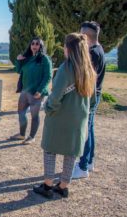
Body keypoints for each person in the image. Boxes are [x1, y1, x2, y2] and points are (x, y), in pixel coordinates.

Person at [33, 33, 96, 199]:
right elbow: (94, 97)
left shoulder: (66, 68)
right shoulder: (89, 69)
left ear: (69, 49)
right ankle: (63, 186)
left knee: (50, 150)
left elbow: (56, 95)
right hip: (79, 118)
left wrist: (48, 108)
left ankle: (47, 185)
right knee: (71, 153)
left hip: (60, 116)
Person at [72, 21, 106, 179]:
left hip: (89, 95)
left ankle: (83, 166)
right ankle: (89, 161)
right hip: (95, 93)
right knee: (90, 128)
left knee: (85, 130)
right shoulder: (99, 49)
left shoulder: (92, 53)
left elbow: (88, 77)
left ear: (86, 36)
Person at [9, 37, 52, 145]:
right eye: (32, 43)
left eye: (37, 44)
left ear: (41, 46)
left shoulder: (45, 59)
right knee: (21, 113)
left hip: (37, 93)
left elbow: (48, 76)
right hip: (25, 91)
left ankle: (32, 137)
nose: (34, 46)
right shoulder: (27, 58)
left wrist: (40, 90)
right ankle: (22, 134)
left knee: (34, 116)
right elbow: (18, 70)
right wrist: (18, 60)